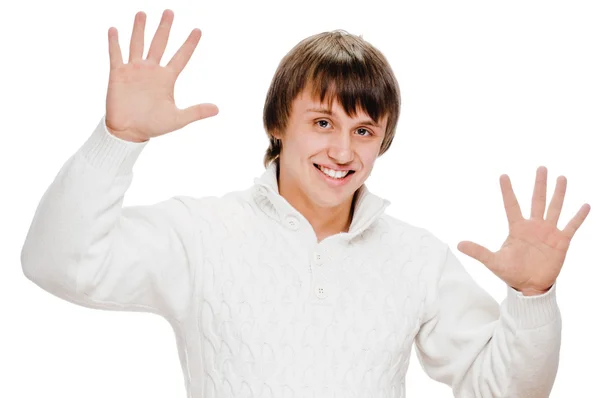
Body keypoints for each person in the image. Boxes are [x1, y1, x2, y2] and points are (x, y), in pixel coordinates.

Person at [21, 8, 590, 398]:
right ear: (277, 124)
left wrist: (531, 297)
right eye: (322, 122)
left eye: (365, 131)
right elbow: (56, 264)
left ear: (383, 143)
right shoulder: (201, 232)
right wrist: (118, 139)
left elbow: (504, 389)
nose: (343, 150)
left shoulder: (417, 258)